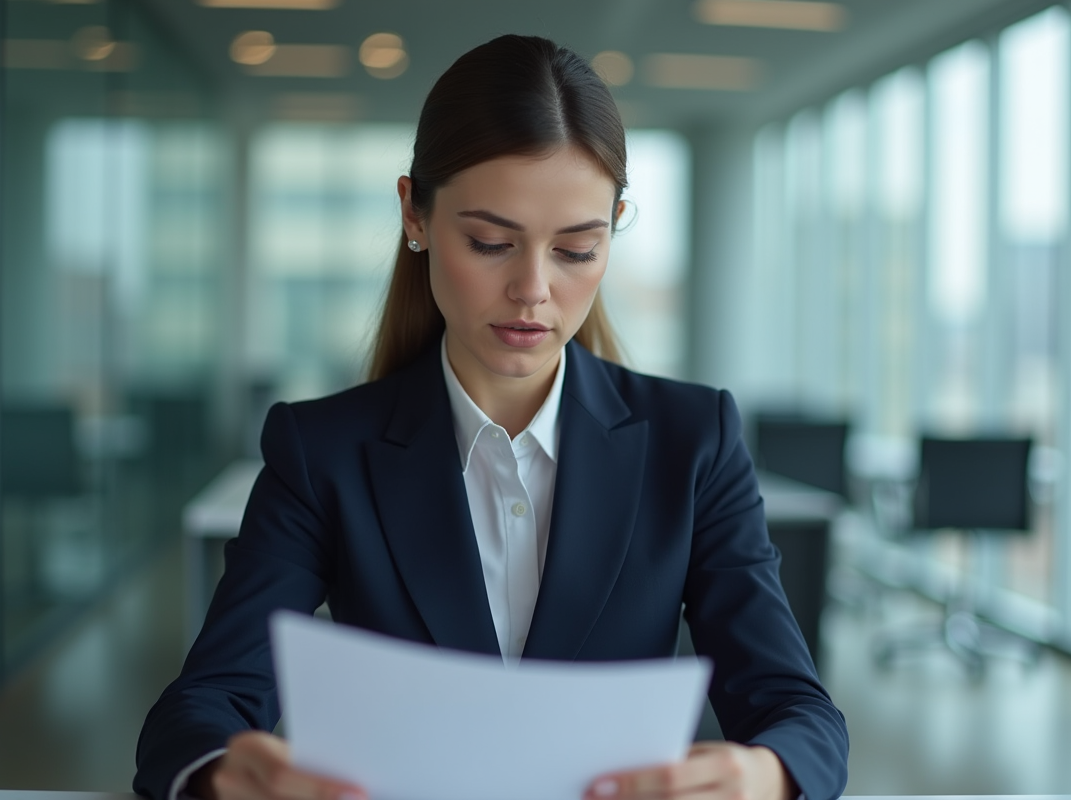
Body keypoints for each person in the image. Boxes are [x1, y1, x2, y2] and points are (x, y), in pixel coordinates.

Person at [134, 33, 849, 800]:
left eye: (577, 250)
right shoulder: (323, 452)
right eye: (489, 242)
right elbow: (203, 705)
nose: (533, 289)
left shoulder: (692, 442)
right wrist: (218, 774)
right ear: (414, 215)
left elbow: (798, 711)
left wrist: (764, 772)